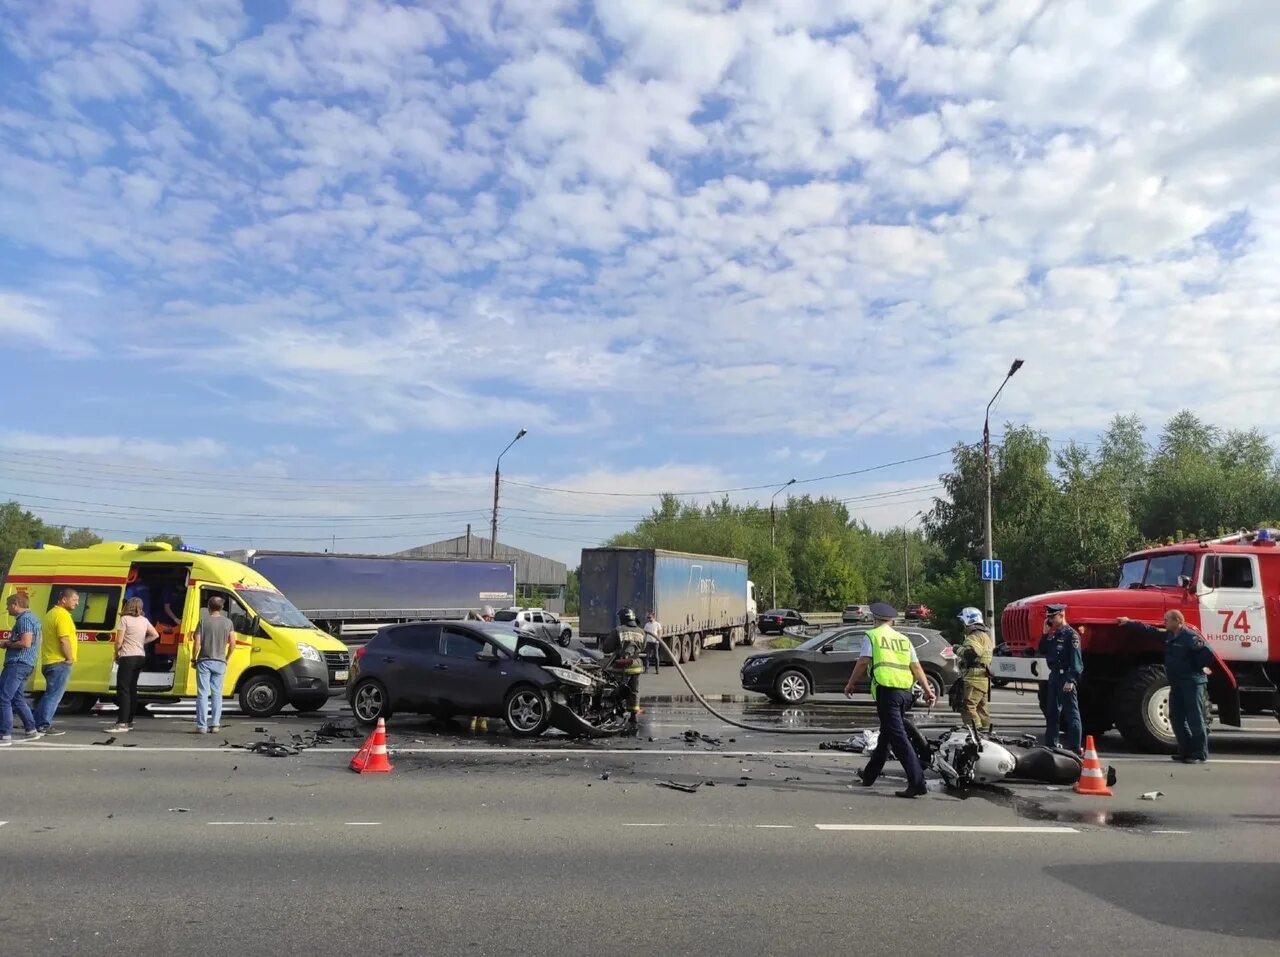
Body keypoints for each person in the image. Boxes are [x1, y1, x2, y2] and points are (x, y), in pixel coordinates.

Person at [844, 602, 937, 798]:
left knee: (899, 739)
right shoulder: (903, 639)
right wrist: (928, 690)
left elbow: (863, 662)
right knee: (886, 735)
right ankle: (869, 775)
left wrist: (851, 683)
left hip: (888, 693)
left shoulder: (873, 636)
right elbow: (917, 667)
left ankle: (917, 782)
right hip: (906, 692)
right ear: (893, 621)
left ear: (875, 620)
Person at [1117, 610, 1213, 762]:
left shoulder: (1189, 637)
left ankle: (1199, 753)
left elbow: (1207, 653)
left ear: (1177, 621)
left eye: (1167, 619)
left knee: (1194, 718)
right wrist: (1129, 622)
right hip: (1176, 682)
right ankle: (1186, 750)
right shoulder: (1169, 635)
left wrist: (1193, 667)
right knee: (1176, 717)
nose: (1164, 622)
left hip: (1191, 683)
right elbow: (1150, 631)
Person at [33, 586, 79, 735]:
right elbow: (63, 639)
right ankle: (43, 725)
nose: (77, 603)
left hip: (48, 660)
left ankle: (34, 723)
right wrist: (70, 658)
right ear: (63, 599)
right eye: (74, 600)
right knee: (54, 696)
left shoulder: (50, 613)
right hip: (59, 661)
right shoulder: (62, 615)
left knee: (49, 694)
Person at [109, 597, 159, 733]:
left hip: (127, 656)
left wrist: (116, 654)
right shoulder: (144, 620)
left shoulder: (124, 620)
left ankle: (122, 722)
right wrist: (141, 642)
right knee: (132, 688)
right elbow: (155, 634)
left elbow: (118, 641)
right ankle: (129, 720)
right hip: (140, 656)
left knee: (123, 689)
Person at [1039, 603, 1083, 754]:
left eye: (1052, 617)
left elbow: (1077, 662)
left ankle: (1075, 747)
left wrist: (1071, 680)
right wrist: (1045, 633)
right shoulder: (1053, 634)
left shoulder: (1071, 635)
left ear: (1061, 615)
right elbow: (1043, 650)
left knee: (1071, 713)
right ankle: (1051, 743)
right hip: (1054, 676)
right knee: (1051, 711)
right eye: (1048, 617)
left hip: (1066, 676)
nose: (1050, 620)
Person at [1, 592, 43, 745]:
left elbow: (25, 643)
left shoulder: (24, 620)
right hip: (27, 663)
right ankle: (31, 729)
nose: (7, 609)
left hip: (17, 663)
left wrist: (7, 644)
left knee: (3, 697)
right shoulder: (34, 618)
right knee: (17, 698)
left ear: (15, 605)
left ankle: (4, 734)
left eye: (8, 605)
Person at [191, 596, 236, 734]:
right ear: (222, 608)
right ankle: (215, 724)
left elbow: (197, 643)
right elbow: (233, 643)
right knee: (217, 693)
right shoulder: (228, 623)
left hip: (204, 661)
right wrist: (226, 658)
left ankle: (202, 726)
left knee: (203, 693)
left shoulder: (203, 622)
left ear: (208, 607)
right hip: (220, 661)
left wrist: (194, 658)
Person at [602, 606, 646, 729]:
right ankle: (633, 715)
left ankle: (613, 710)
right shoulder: (641, 631)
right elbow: (642, 647)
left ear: (622, 619)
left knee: (613, 688)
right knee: (634, 690)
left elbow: (607, 648)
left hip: (621, 666)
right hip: (636, 665)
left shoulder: (618, 630)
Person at [953, 606, 994, 730]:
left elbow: (972, 654)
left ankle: (974, 732)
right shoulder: (985, 636)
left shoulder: (973, 637)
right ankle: (986, 732)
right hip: (983, 678)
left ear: (968, 621)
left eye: (963, 622)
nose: (963, 626)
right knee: (982, 708)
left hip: (973, 678)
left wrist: (957, 649)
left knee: (968, 706)